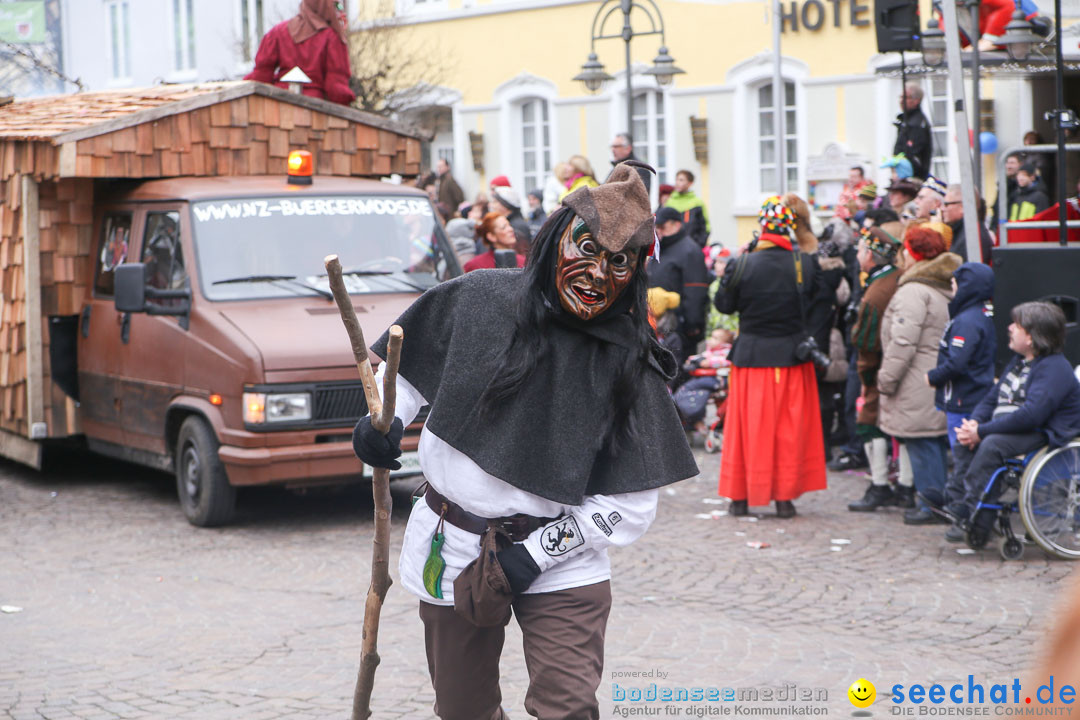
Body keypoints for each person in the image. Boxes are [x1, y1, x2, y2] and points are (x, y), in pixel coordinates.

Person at [351, 161, 697, 719]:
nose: (598, 275)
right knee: (463, 711)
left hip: (564, 562)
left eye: (619, 263)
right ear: (556, 241)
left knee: (568, 709)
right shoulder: (479, 298)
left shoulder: (629, 363)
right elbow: (405, 370)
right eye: (586, 250)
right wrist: (376, 423)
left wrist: (534, 556)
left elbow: (630, 508)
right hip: (453, 542)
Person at [713, 196, 827, 518]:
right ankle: (784, 499)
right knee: (787, 430)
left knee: (746, 429)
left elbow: (724, 306)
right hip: (791, 357)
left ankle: (740, 497)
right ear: (789, 227)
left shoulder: (743, 262)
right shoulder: (804, 263)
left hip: (751, 358)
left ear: (762, 226)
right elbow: (818, 300)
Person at [944, 301, 1080, 542]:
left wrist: (983, 432)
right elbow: (991, 398)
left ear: (1031, 337)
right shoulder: (1018, 362)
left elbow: (1032, 415)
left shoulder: (1055, 369)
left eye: (1016, 325)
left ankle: (971, 507)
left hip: (1044, 432)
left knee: (993, 444)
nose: (1009, 328)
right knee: (966, 438)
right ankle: (959, 504)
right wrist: (974, 425)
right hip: (1015, 428)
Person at [876, 225, 961, 525]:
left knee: (923, 443)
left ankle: (931, 505)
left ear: (912, 253)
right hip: (932, 375)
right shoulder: (940, 285)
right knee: (932, 442)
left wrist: (886, 379)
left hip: (916, 379)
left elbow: (903, 342)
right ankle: (935, 502)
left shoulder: (914, 290)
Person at [927, 262, 996, 523]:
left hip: (964, 398)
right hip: (967, 395)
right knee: (963, 454)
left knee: (963, 453)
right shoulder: (977, 315)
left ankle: (962, 508)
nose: (951, 289)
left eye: (955, 284)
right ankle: (956, 499)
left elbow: (957, 361)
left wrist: (933, 377)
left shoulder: (967, 320)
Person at [847, 223, 905, 511]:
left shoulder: (876, 292)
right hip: (900, 365)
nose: (857, 255)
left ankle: (880, 484)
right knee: (902, 427)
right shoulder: (897, 278)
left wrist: (867, 376)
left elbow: (867, 342)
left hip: (881, 368)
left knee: (871, 425)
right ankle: (906, 485)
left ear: (870, 255)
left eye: (860, 250)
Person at [244, 0, 355, 106]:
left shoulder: (279, 32)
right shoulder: (331, 38)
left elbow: (260, 77)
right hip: (315, 111)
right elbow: (336, 89)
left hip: (277, 106)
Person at [647, 207, 711, 367]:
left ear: (676, 225)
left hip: (679, 328)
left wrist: (692, 326)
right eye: (656, 227)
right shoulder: (659, 248)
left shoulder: (690, 251)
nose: (658, 231)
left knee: (675, 372)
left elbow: (695, 291)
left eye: (662, 227)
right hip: (656, 325)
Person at [942, 184, 993, 264]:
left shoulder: (972, 237)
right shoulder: (964, 232)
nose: (942, 209)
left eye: (946, 204)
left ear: (963, 207)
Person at [893, 83, 933, 180]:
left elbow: (912, 154)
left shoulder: (917, 124)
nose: (901, 101)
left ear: (916, 101)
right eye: (901, 97)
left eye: (906, 98)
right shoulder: (907, 121)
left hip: (912, 177)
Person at [664, 170, 711, 246]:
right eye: (676, 179)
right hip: (673, 247)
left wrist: (698, 245)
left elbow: (705, 227)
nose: (677, 183)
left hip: (692, 247)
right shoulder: (670, 202)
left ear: (690, 183)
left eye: (681, 180)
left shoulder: (697, 203)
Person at [490, 186, 532, 255]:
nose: (492, 206)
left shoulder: (518, 226)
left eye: (495, 202)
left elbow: (522, 253)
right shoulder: (510, 222)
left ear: (505, 205)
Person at [990, 153, 1021, 231]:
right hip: (999, 228)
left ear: (1020, 164)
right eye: (1007, 162)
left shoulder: (1021, 187)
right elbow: (997, 209)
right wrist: (993, 228)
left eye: (1012, 163)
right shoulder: (1002, 184)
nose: (1009, 166)